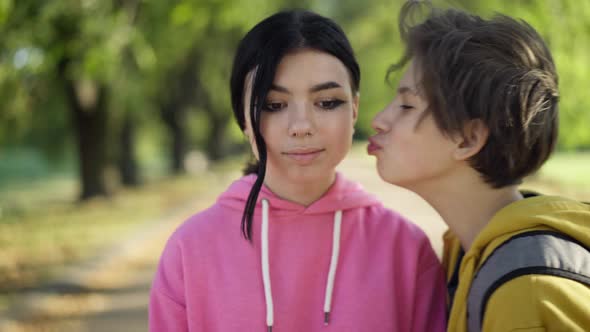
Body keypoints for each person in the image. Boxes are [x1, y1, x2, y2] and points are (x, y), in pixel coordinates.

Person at [149, 9, 446, 332]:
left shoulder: (405, 249)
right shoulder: (190, 249)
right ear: (244, 120)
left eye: (327, 102)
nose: (302, 126)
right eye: (274, 105)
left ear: (354, 109)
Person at [369, 2, 590, 332]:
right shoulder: (465, 253)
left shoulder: (527, 286)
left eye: (406, 105)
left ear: (468, 138)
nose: (378, 121)